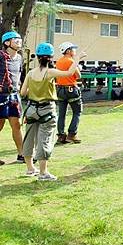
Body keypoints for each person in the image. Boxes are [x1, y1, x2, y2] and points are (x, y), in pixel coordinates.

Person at [20, 42, 85, 180]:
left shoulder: (31, 73)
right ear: (51, 57)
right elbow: (69, 73)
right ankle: (43, 173)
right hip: (46, 109)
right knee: (45, 139)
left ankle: (30, 168)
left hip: (31, 109)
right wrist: (77, 59)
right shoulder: (50, 72)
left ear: (37, 57)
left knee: (29, 138)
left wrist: (36, 89)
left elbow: (23, 92)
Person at [0, 31, 25, 165]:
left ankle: (21, 154)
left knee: (16, 124)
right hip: (0, 95)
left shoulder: (20, 58)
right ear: (7, 43)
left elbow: (20, 75)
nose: (19, 42)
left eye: (20, 40)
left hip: (14, 96)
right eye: (16, 40)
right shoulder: (0, 56)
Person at [56, 42, 83, 144]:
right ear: (68, 51)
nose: (74, 51)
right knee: (77, 112)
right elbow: (78, 75)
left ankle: (61, 135)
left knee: (61, 113)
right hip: (71, 89)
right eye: (73, 49)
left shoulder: (58, 62)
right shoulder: (71, 61)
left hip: (60, 90)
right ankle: (72, 134)